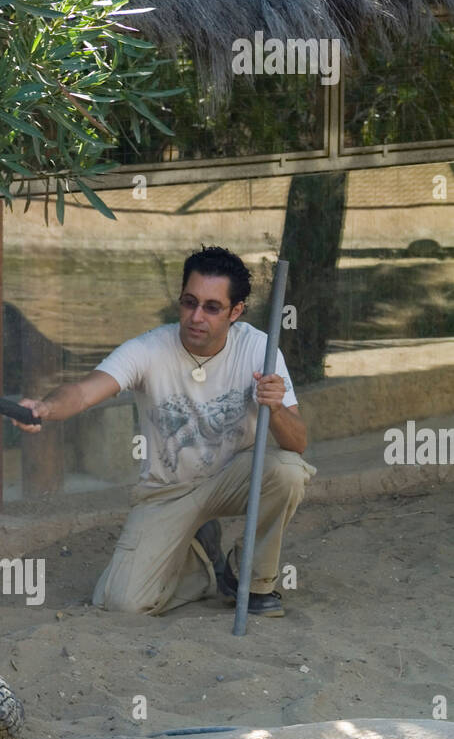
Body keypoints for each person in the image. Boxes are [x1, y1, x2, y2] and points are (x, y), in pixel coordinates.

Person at [16, 245, 315, 617]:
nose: (196, 317)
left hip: (232, 479)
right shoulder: (149, 348)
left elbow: (297, 442)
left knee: (287, 472)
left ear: (235, 312)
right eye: (189, 302)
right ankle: (203, 565)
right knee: (122, 604)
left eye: (212, 307)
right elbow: (83, 390)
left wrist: (275, 406)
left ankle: (251, 580)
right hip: (167, 492)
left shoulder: (258, 348)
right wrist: (46, 408)